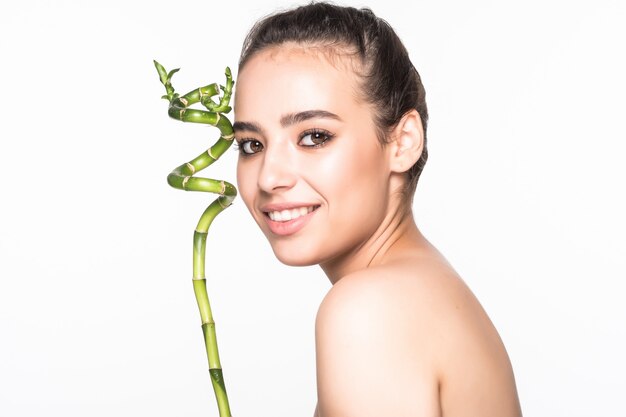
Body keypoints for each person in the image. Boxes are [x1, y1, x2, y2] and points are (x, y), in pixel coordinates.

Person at [232, 2, 522, 416]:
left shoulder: (369, 309)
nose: (267, 177)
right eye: (251, 144)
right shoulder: (429, 291)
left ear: (402, 142)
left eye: (314, 136)